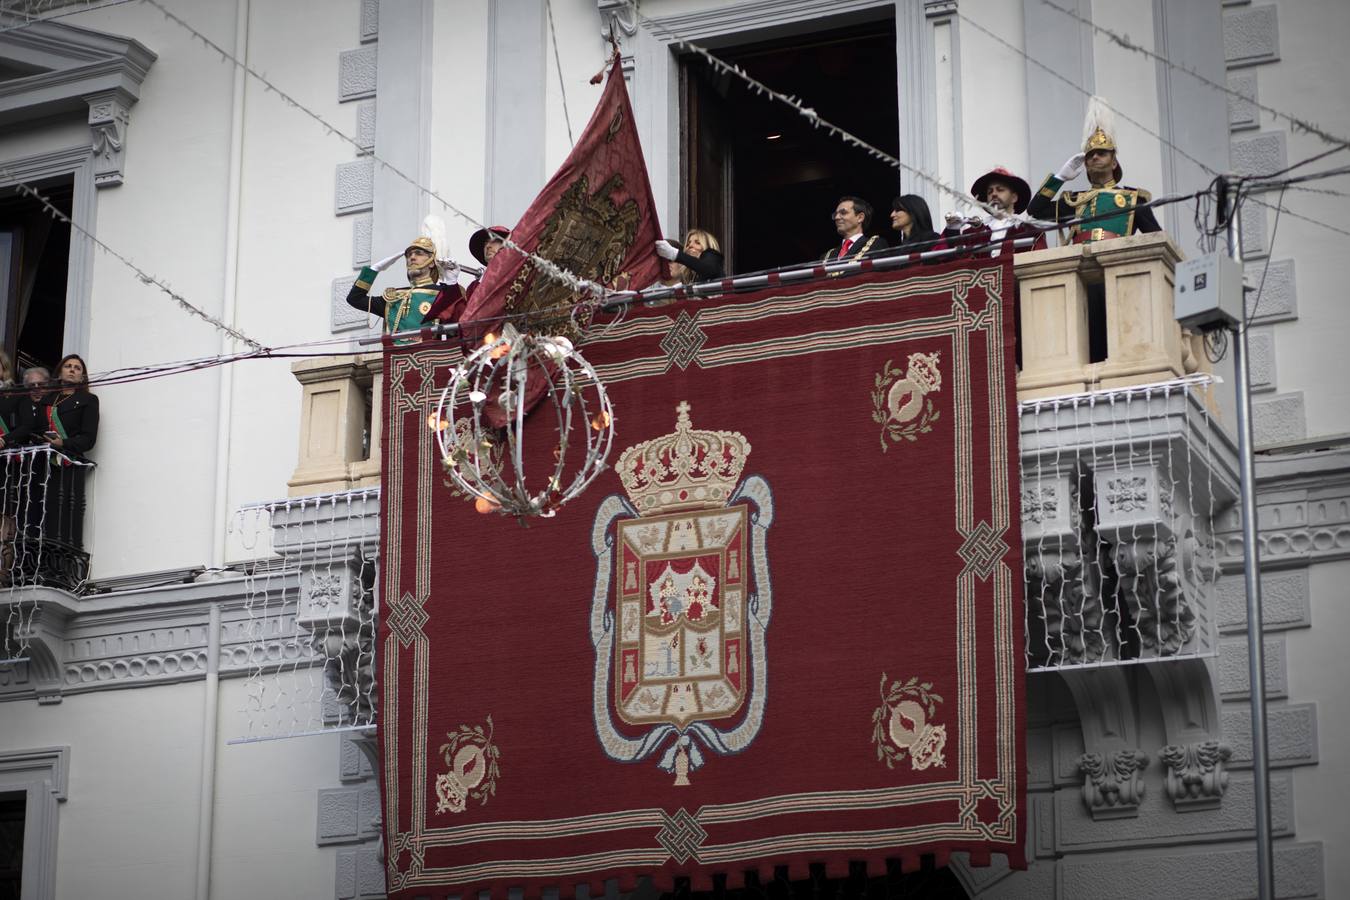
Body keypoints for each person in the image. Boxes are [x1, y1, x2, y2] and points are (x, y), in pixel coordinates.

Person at [1026, 97, 1161, 244]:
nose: (1095, 157)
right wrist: (1060, 178)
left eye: (1101, 153)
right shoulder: (1076, 202)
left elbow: (1158, 239)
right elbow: (1036, 211)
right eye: (1090, 155)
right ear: (1086, 165)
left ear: (1114, 162)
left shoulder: (1135, 200)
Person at [346, 232, 457, 338]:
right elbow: (355, 299)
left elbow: (457, 326)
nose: (412, 257)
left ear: (432, 262)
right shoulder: (394, 298)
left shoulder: (443, 294)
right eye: (409, 255)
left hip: (429, 355)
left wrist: (452, 283)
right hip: (397, 355)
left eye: (419, 253)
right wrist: (374, 269)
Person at [943, 167, 1046, 257]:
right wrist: (952, 230)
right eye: (990, 192)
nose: (994, 194)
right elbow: (951, 261)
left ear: (1014, 197)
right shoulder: (972, 234)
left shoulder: (1030, 232)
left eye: (1000, 189)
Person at [42, 354, 98, 458]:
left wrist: (63, 443)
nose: (72, 370)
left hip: (69, 463)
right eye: (68, 366)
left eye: (77, 368)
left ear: (82, 378)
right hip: (42, 460)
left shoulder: (89, 400)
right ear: (59, 374)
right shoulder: (47, 399)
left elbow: (88, 439)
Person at [823, 196, 888, 262]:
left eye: (843, 213)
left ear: (860, 217)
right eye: (835, 214)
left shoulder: (876, 245)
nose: (837, 217)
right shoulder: (828, 255)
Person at [654, 228, 725, 283]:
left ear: (707, 245)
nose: (690, 245)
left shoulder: (712, 255)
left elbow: (707, 269)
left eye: (697, 243)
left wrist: (674, 253)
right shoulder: (689, 275)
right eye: (688, 244)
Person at [0, 351, 36, 450]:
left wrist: (4, 439)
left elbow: (28, 426)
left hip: (8, 455)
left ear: (4, 369)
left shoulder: (17, 394)